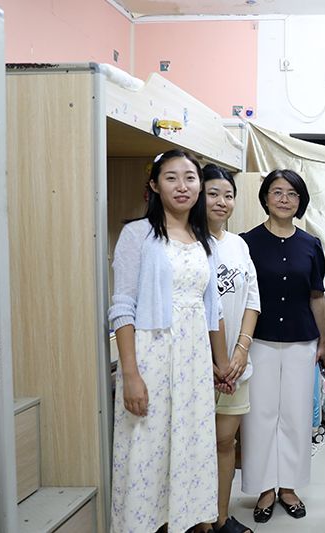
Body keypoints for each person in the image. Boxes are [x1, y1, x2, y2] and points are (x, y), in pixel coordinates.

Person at [109, 150, 230, 533]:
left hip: (193, 360)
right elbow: (123, 306)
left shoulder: (205, 241)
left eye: (190, 178)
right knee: (148, 445)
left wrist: (219, 363)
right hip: (151, 356)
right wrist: (131, 374)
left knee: (191, 442)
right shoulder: (137, 235)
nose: (182, 186)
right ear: (154, 185)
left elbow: (212, 310)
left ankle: (188, 521)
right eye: (171, 177)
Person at [239, 169, 325, 524]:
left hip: (300, 340)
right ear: (265, 197)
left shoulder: (311, 244)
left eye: (292, 194)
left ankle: (289, 487)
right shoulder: (246, 243)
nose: (284, 199)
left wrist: (324, 340)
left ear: (300, 201)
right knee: (259, 417)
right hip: (258, 341)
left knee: (295, 415)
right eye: (277, 192)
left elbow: (317, 296)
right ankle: (264, 489)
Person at [197, 164, 261, 533]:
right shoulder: (189, 243)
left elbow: (252, 299)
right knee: (198, 446)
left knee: (225, 443)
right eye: (213, 194)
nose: (222, 201)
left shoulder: (238, 244)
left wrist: (241, 351)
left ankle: (221, 517)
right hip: (200, 366)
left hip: (236, 366)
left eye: (228, 195)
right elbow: (204, 309)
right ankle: (199, 521)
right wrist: (216, 362)